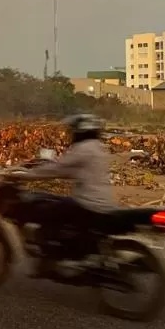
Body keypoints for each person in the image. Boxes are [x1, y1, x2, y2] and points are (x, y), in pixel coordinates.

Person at [13, 113, 116, 275]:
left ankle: (49, 257)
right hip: (103, 202)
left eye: (72, 131)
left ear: (80, 131)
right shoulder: (98, 147)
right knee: (58, 204)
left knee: (47, 211)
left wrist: (26, 175)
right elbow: (70, 170)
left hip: (88, 203)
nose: (71, 134)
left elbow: (58, 169)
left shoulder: (84, 148)